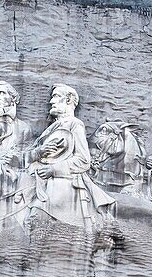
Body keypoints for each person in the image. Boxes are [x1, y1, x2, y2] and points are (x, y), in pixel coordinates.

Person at [23, 84, 115, 227]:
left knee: (37, 215)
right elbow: (32, 154)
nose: (51, 102)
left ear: (69, 100)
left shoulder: (74, 124)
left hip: (63, 178)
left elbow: (83, 160)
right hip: (37, 174)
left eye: (56, 96)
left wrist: (54, 169)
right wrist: (39, 151)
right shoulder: (49, 129)